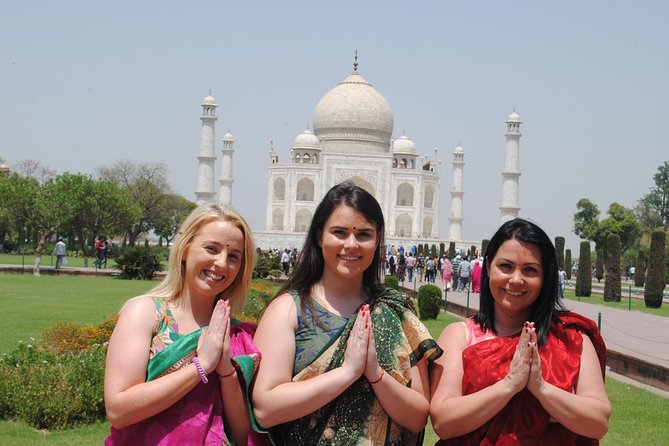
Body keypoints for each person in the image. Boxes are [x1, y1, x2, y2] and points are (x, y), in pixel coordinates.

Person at [252, 182, 441, 445]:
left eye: (364, 234)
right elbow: (265, 410)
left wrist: (376, 374)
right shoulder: (290, 309)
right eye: (339, 232)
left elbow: (417, 417)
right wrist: (347, 372)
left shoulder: (395, 311)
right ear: (320, 236)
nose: (351, 244)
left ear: (377, 240)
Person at [430, 218, 611, 444]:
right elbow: (443, 422)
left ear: (546, 276)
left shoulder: (570, 338)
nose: (516, 280)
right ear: (488, 267)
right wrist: (510, 384)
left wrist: (541, 388)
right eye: (505, 266)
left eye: (530, 270)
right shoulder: (462, 335)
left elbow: (598, 423)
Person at [104, 203, 268, 445]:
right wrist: (200, 366)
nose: (222, 263)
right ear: (185, 250)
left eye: (233, 256)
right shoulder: (147, 313)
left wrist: (225, 371)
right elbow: (119, 411)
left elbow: (241, 432)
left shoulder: (236, 333)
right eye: (211, 249)